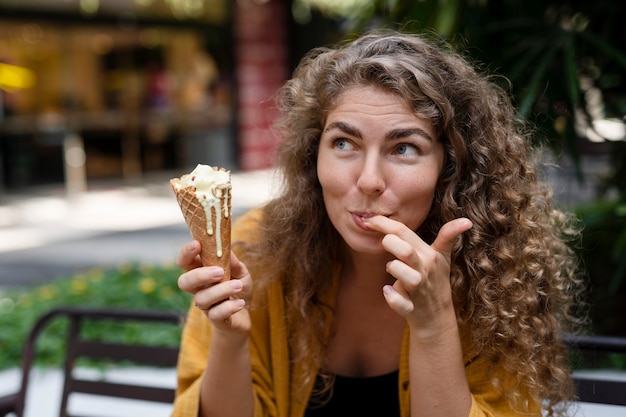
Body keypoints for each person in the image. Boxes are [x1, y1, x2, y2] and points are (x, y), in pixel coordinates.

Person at [171, 30, 585, 417]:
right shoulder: (256, 248)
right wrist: (229, 339)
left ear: (451, 167)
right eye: (344, 143)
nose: (368, 180)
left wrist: (434, 322)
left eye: (403, 147)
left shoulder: (494, 274)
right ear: (313, 154)